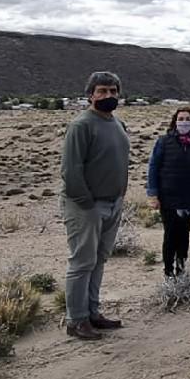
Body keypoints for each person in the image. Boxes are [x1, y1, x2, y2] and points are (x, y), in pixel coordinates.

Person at [60, 71, 131, 340]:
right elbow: (71, 169)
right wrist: (86, 202)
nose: (108, 96)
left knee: (98, 259)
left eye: (113, 91)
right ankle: (76, 320)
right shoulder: (81, 125)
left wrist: (120, 195)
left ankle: (92, 312)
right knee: (82, 262)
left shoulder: (117, 124)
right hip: (86, 206)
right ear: (90, 95)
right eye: (102, 91)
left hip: (113, 203)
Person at [146, 107, 190, 279]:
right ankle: (168, 273)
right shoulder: (164, 142)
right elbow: (153, 167)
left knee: (184, 234)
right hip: (168, 197)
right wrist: (153, 194)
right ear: (175, 121)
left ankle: (181, 270)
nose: (184, 122)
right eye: (181, 118)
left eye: (187, 119)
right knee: (170, 234)